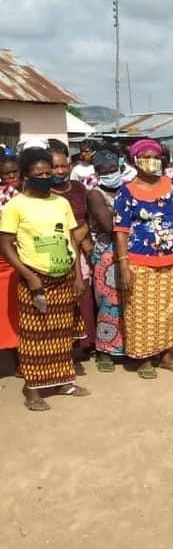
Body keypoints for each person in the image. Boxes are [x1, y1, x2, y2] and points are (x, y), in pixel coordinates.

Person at [0, 147, 89, 411]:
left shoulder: (60, 203)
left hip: (64, 277)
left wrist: (77, 276)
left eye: (48, 173)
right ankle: (33, 390)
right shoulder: (15, 206)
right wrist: (28, 275)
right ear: (26, 176)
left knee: (62, 333)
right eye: (39, 174)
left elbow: (71, 240)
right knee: (35, 336)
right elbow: (5, 244)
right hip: (35, 278)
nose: (45, 177)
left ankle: (63, 382)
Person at [114, 138, 173, 377]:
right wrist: (124, 265)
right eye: (146, 157)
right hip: (140, 260)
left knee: (170, 310)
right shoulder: (126, 192)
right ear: (135, 160)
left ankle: (166, 355)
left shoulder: (171, 187)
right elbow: (121, 230)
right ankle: (144, 359)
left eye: (155, 157)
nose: (152, 161)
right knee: (142, 312)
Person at [50, 148, 96, 356]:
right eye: (55, 167)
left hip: (85, 247)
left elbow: (88, 216)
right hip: (59, 248)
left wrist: (84, 236)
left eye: (63, 166)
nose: (60, 171)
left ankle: (88, 343)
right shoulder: (45, 193)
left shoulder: (78, 188)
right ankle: (64, 346)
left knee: (85, 294)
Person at [87, 149, 125, 370]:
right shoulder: (96, 195)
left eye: (114, 169)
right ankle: (105, 350)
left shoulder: (126, 190)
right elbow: (109, 225)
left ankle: (125, 346)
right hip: (107, 253)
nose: (111, 173)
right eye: (105, 171)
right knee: (108, 302)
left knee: (127, 300)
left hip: (127, 250)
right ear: (97, 173)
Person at [0, 155, 21, 361]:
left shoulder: (32, 193)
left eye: (15, 172)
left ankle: (21, 359)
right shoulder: (4, 195)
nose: (11, 176)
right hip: (5, 260)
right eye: (7, 174)